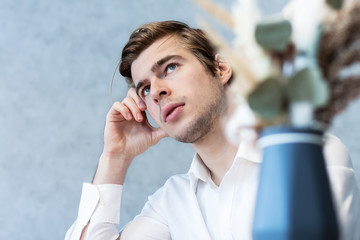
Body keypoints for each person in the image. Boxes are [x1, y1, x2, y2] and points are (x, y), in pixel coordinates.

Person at [65, 20, 360, 240]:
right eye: (144, 88)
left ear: (220, 69)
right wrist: (115, 157)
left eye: (169, 68)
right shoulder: (171, 202)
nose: (156, 91)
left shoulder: (309, 157)